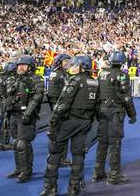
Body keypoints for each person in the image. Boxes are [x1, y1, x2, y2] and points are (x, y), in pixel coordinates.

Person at [40, 55, 99, 196]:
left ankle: (50, 188)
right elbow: (96, 106)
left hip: (67, 122)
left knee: (54, 153)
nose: (71, 67)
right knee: (78, 155)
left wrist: (53, 122)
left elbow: (62, 104)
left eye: (74, 65)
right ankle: (74, 187)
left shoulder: (74, 80)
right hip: (84, 123)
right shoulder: (94, 82)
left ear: (82, 66)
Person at [92, 51, 137, 184]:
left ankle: (98, 172)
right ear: (122, 62)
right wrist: (132, 114)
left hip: (102, 110)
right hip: (114, 112)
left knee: (102, 142)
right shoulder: (122, 76)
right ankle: (114, 174)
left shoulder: (102, 74)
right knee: (114, 143)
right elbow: (126, 97)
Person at [4, 55, 45, 183]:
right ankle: (19, 169)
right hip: (13, 114)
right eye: (18, 65)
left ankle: (26, 171)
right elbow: (8, 95)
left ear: (30, 67)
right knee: (16, 143)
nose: (20, 67)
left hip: (26, 115)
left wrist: (28, 113)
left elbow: (38, 96)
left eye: (23, 65)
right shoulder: (15, 78)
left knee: (23, 144)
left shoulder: (36, 79)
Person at [47, 54, 73, 167]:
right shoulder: (62, 75)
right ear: (59, 62)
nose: (68, 63)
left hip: (55, 106)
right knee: (62, 133)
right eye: (65, 61)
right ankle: (61, 158)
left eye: (68, 61)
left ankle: (57, 157)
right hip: (60, 107)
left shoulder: (55, 73)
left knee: (56, 132)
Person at [0, 62, 17, 151]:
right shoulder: (9, 78)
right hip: (7, 102)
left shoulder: (1, 77)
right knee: (5, 122)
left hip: (2, 101)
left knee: (3, 122)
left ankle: (2, 143)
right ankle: (3, 144)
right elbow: (11, 91)